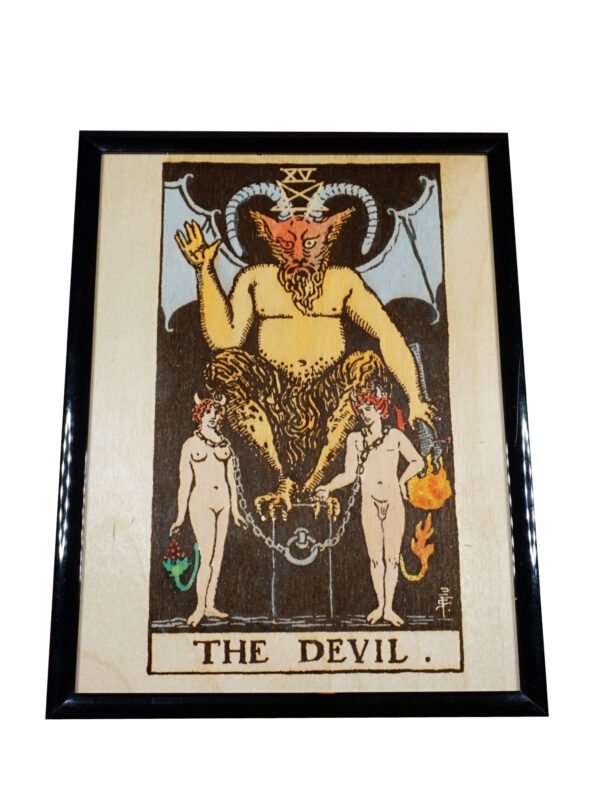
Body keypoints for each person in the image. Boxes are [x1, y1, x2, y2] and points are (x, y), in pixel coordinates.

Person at [175, 210, 436, 520]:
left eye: (309, 242)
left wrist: (415, 398)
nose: (298, 254)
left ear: (327, 238)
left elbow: (387, 334)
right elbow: (224, 340)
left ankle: (314, 482)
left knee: (367, 365)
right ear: (272, 241)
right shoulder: (256, 279)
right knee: (224, 365)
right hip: (274, 397)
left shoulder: (343, 281)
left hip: (328, 397)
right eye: (287, 244)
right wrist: (204, 270)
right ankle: (282, 478)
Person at [315, 387, 424, 627]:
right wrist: (328, 487)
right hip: (369, 504)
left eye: (369, 408)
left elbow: (418, 461)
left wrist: (402, 480)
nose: (365, 414)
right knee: (375, 559)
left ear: (380, 409)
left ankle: (389, 608)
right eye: (362, 409)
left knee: (392, 558)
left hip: (393, 502)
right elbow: (349, 474)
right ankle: (380, 606)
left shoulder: (394, 436)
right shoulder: (355, 439)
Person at [170, 394, 246, 627]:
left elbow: (232, 482)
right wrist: (180, 517)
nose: (212, 417)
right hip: (201, 502)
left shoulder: (225, 445)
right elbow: (185, 484)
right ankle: (199, 608)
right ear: (199, 415)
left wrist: (236, 511)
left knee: (217, 557)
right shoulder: (190, 445)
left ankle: (210, 605)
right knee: (206, 556)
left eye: (216, 413)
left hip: (223, 503)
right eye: (208, 413)